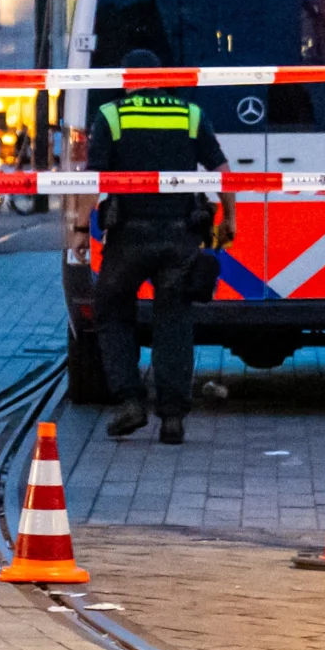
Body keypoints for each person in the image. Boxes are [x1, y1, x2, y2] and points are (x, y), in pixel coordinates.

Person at [82, 46, 229, 440]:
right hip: (179, 236)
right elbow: (222, 169)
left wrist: (82, 229)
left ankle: (130, 402)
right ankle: (172, 418)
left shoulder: (111, 115)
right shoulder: (188, 114)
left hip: (128, 237)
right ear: (163, 78)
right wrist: (229, 217)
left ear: (126, 79)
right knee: (174, 322)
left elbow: (92, 180)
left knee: (112, 311)